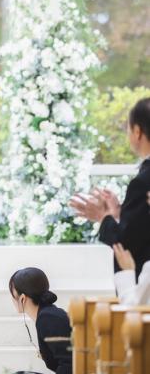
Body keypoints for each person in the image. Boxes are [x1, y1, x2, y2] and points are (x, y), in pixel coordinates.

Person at [70, 97, 150, 279]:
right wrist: (119, 214)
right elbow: (142, 229)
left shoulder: (142, 182)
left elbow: (126, 247)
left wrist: (103, 217)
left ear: (137, 131)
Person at [0, 267, 72, 374]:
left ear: (22, 298)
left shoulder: (47, 318)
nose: (12, 299)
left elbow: (68, 363)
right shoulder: (48, 314)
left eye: (13, 294)